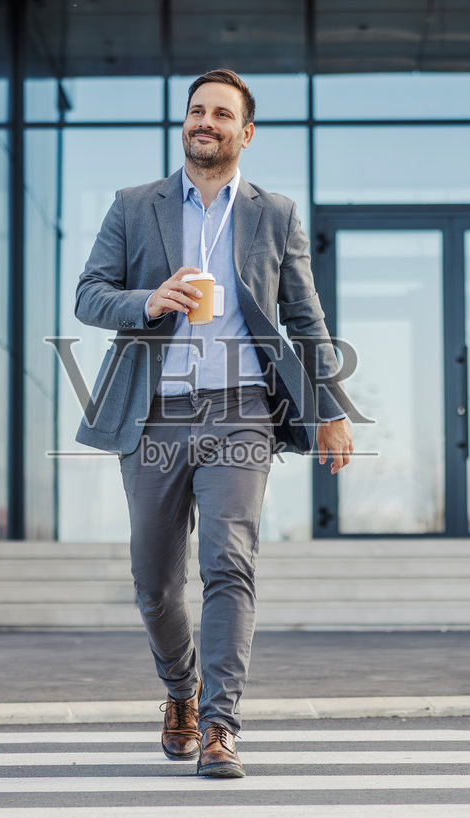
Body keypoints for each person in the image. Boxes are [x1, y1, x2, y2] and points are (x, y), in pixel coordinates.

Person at [74, 69, 354, 778]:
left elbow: (306, 319)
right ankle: (182, 691)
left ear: (245, 132)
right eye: (197, 110)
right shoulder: (134, 206)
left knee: (229, 562)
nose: (206, 121)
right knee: (155, 584)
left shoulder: (274, 214)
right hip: (155, 414)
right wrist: (148, 300)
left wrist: (330, 409)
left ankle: (223, 724)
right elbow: (88, 295)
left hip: (241, 411)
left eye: (221, 113)